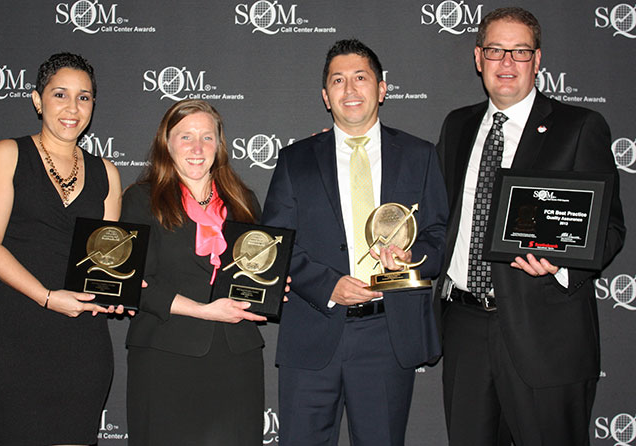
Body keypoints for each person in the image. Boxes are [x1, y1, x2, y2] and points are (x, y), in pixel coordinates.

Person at [434, 7, 626, 446]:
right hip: (464, 326)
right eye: (495, 50)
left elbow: (610, 229)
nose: (507, 62)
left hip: (546, 332)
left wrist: (561, 264)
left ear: (537, 60)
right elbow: (440, 216)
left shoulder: (579, 127)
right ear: (478, 57)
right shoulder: (458, 125)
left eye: (519, 51)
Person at [262, 39, 448, 446]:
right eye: (338, 80)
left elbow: (439, 235)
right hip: (312, 330)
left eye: (361, 78)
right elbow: (276, 243)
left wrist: (411, 257)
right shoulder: (295, 160)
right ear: (325, 96)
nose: (350, 89)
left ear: (381, 89)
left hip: (387, 333)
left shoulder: (419, 155)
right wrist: (327, 285)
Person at [0, 52, 123, 445]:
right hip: (12, 337)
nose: (73, 108)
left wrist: (117, 289)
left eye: (84, 97)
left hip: (82, 345)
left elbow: (106, 258)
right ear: (38, 100)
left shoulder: (106, 172)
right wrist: (47, 296)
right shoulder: (8, 154)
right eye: (60, 94)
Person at [121, 99, 268, 445]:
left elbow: (256, 272)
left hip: (237, 359)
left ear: (219, 145)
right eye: (186, 137)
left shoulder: (243, 201)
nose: (197, 148)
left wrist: (272, 287)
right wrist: (203, 310)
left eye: (207, 137)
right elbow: (133, 283)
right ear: (166, 143)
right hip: (165, 358)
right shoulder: (141, 200)